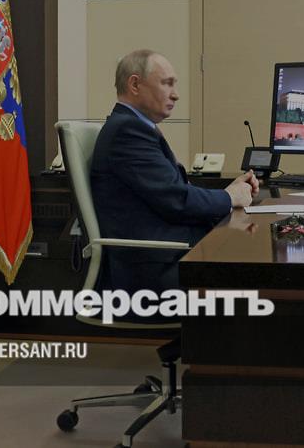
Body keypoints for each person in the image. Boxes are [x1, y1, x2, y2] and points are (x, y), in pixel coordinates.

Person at [91, 49, 260, 294]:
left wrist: (229, 193)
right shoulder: (128, 131)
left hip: (166, 256)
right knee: (256, 279)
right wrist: (229, 197)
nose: (176, 94)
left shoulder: (133, 127)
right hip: (153, 270)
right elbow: (177, 200)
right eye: (166, 83)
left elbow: (173, 192)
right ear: (135, 84)